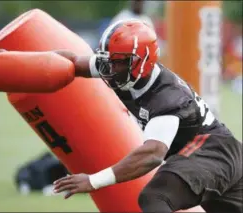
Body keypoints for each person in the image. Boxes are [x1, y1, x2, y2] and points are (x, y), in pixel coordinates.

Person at [52, 20, 243, 213]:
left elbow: (152, 154)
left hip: (210, 151)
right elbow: (74, 62)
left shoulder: (167, 97)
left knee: (155, 197)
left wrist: (93, 181)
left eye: (118, 61)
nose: (111, 68)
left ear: (142, 62)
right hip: (224, 153)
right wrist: (29, 62)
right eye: (108, 60)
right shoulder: (121, 68)